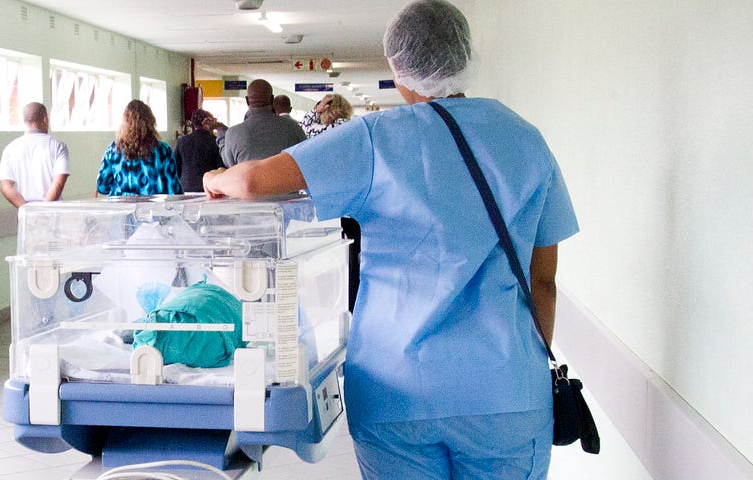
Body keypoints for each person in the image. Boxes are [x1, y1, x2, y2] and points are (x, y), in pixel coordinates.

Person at [203, 1, 579, 479]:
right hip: (506, 393)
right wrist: (516, 370)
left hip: (395, 390)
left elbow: (255, 181)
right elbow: (542, 280)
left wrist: (218, 175)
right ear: (465, 58)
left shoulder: (377, 137)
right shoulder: (526, 140)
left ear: (400, 72)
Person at [96, 100, 181, 196]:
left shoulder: (113, 150)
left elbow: (102, 187)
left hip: (121, 209)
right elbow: (174, 190)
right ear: (151, 122)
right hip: (153, 209)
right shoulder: (163, 151)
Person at [218, 79, 306, 167]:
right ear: (272, 100)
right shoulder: (293, 128)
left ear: (247, 100)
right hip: (285, 180)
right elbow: (305, 156)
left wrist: (221, 134)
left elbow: (229, 163)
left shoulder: (233, 133)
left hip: (249, 180)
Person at [0, 102, 70, 208]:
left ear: (24, 121)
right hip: (52, 214)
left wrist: (27, 210)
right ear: (45, 119)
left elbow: (6, 187)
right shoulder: (58, 146)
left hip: (26, 218)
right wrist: (41, 211)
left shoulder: (10, 149)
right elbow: (58, 183)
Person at [175, 110, 226, 193]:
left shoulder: (182, 141)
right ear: (206, 121)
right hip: (209, 188)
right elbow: (221, 167)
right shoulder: (215, 142)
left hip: (186, 187)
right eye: (213, 120)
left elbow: (175, 166)